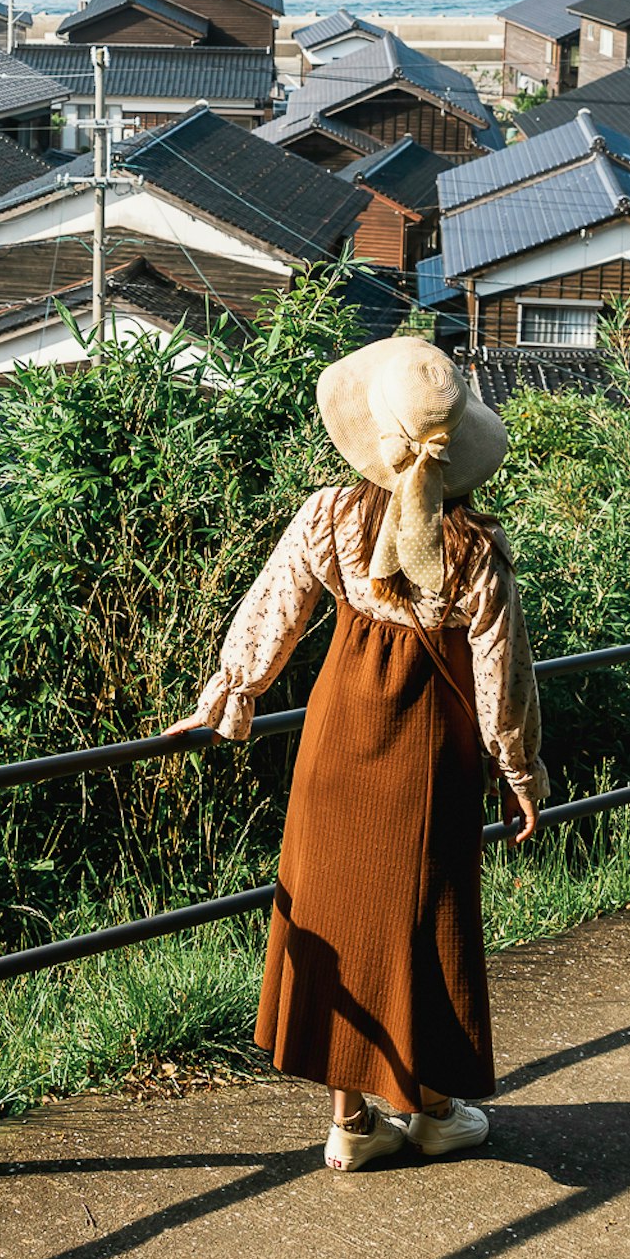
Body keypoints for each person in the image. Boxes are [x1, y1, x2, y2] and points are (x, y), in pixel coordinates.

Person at [186, 337, 540, 1170]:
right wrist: (520, 773)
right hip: (431, 750)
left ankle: (350, 1126)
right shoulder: (477, 551)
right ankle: (434, 1109)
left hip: (338, 736)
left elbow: (270, 611)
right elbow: (504, 679)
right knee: (426, 920)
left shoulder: (330, 516)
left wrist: (228, 695)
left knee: (338, 915)